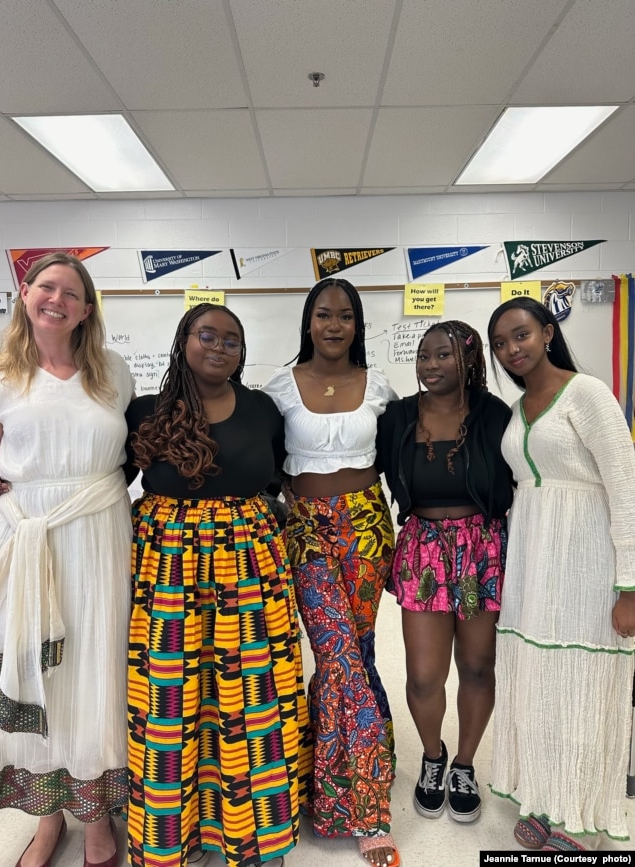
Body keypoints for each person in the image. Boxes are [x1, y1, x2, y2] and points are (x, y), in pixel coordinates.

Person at [124, 302, 311, 867]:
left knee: (255, 699)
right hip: (167, 573)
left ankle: (255, 835)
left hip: (250, 572)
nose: (220, 347)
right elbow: (106, 483)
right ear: (184, 340)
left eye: (233, 339)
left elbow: (281, 480)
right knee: (171, 697)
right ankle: (173, 837)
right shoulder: (144, 412)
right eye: (208, 335)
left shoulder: (263, 409)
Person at [0, 252, 134, 867]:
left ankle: (96, 820)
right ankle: (48, 819)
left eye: (72, 292)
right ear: (25, 295)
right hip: (23, 545)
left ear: (87, 310)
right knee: (34, 672)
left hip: (99, 539)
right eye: (46, 286)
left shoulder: (114, 374)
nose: (57, 299)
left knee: (96, 675)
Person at [487, 296, 635, 852]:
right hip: (533, 563)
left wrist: (630, 585)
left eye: (520, 335)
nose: (511, 349)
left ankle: (576, 817)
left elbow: (626, 488)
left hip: (586, 564)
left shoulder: (587, 393)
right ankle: (547, 797)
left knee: (583, 678)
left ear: (548, 332)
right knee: (537, 676)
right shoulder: (520, 405)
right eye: (500, 343)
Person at [262, 277, 400, 867]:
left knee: (358, 653)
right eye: (324, 315)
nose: (335, 325)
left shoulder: (380, 386)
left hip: (368, 527)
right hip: (305, 528)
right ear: (308, 322)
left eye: (346, 315)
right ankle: (367, 811)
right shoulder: (278, 388)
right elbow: (257, 457)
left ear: (358, 324)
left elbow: (402, 453)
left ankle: (329, 770)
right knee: (338, 654)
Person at [376, 320, 514, 824]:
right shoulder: (397, 417)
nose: (430, 365)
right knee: (423, 675)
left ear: (469, 360)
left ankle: (464, 765)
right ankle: (432, 758)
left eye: (443, 356)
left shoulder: (494, 415)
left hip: (481, 550)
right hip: (422, 552)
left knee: (477, 667)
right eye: (423, 356)